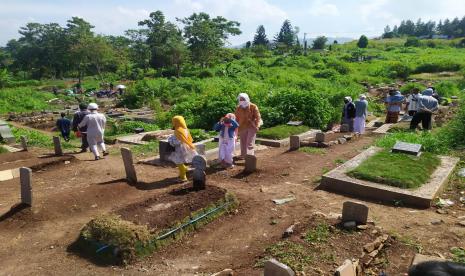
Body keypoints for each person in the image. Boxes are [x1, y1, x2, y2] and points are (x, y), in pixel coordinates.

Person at [168, 116, 197, 182]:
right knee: (180, 161)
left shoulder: (178, 131)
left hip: (180, 149)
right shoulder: (185, 129)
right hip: (186, 147)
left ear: (176, 122)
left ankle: (183, 177)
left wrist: (170, 140)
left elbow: (176, 142)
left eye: (173, 122)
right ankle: (185, 170)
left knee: (179, 162)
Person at [235, 93, 262, 159]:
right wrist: (235, 127)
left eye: (243, 99)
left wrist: (257, 126)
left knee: (249, 142)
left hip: (252, 126)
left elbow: (258, 117)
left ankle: (250, 156)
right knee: (243, 142)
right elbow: (236, 118)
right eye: (240, 99)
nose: (242, 101)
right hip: (242, 126)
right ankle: (243, 155)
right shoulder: (238, 108)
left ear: (247, 99)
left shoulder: (253, 106)